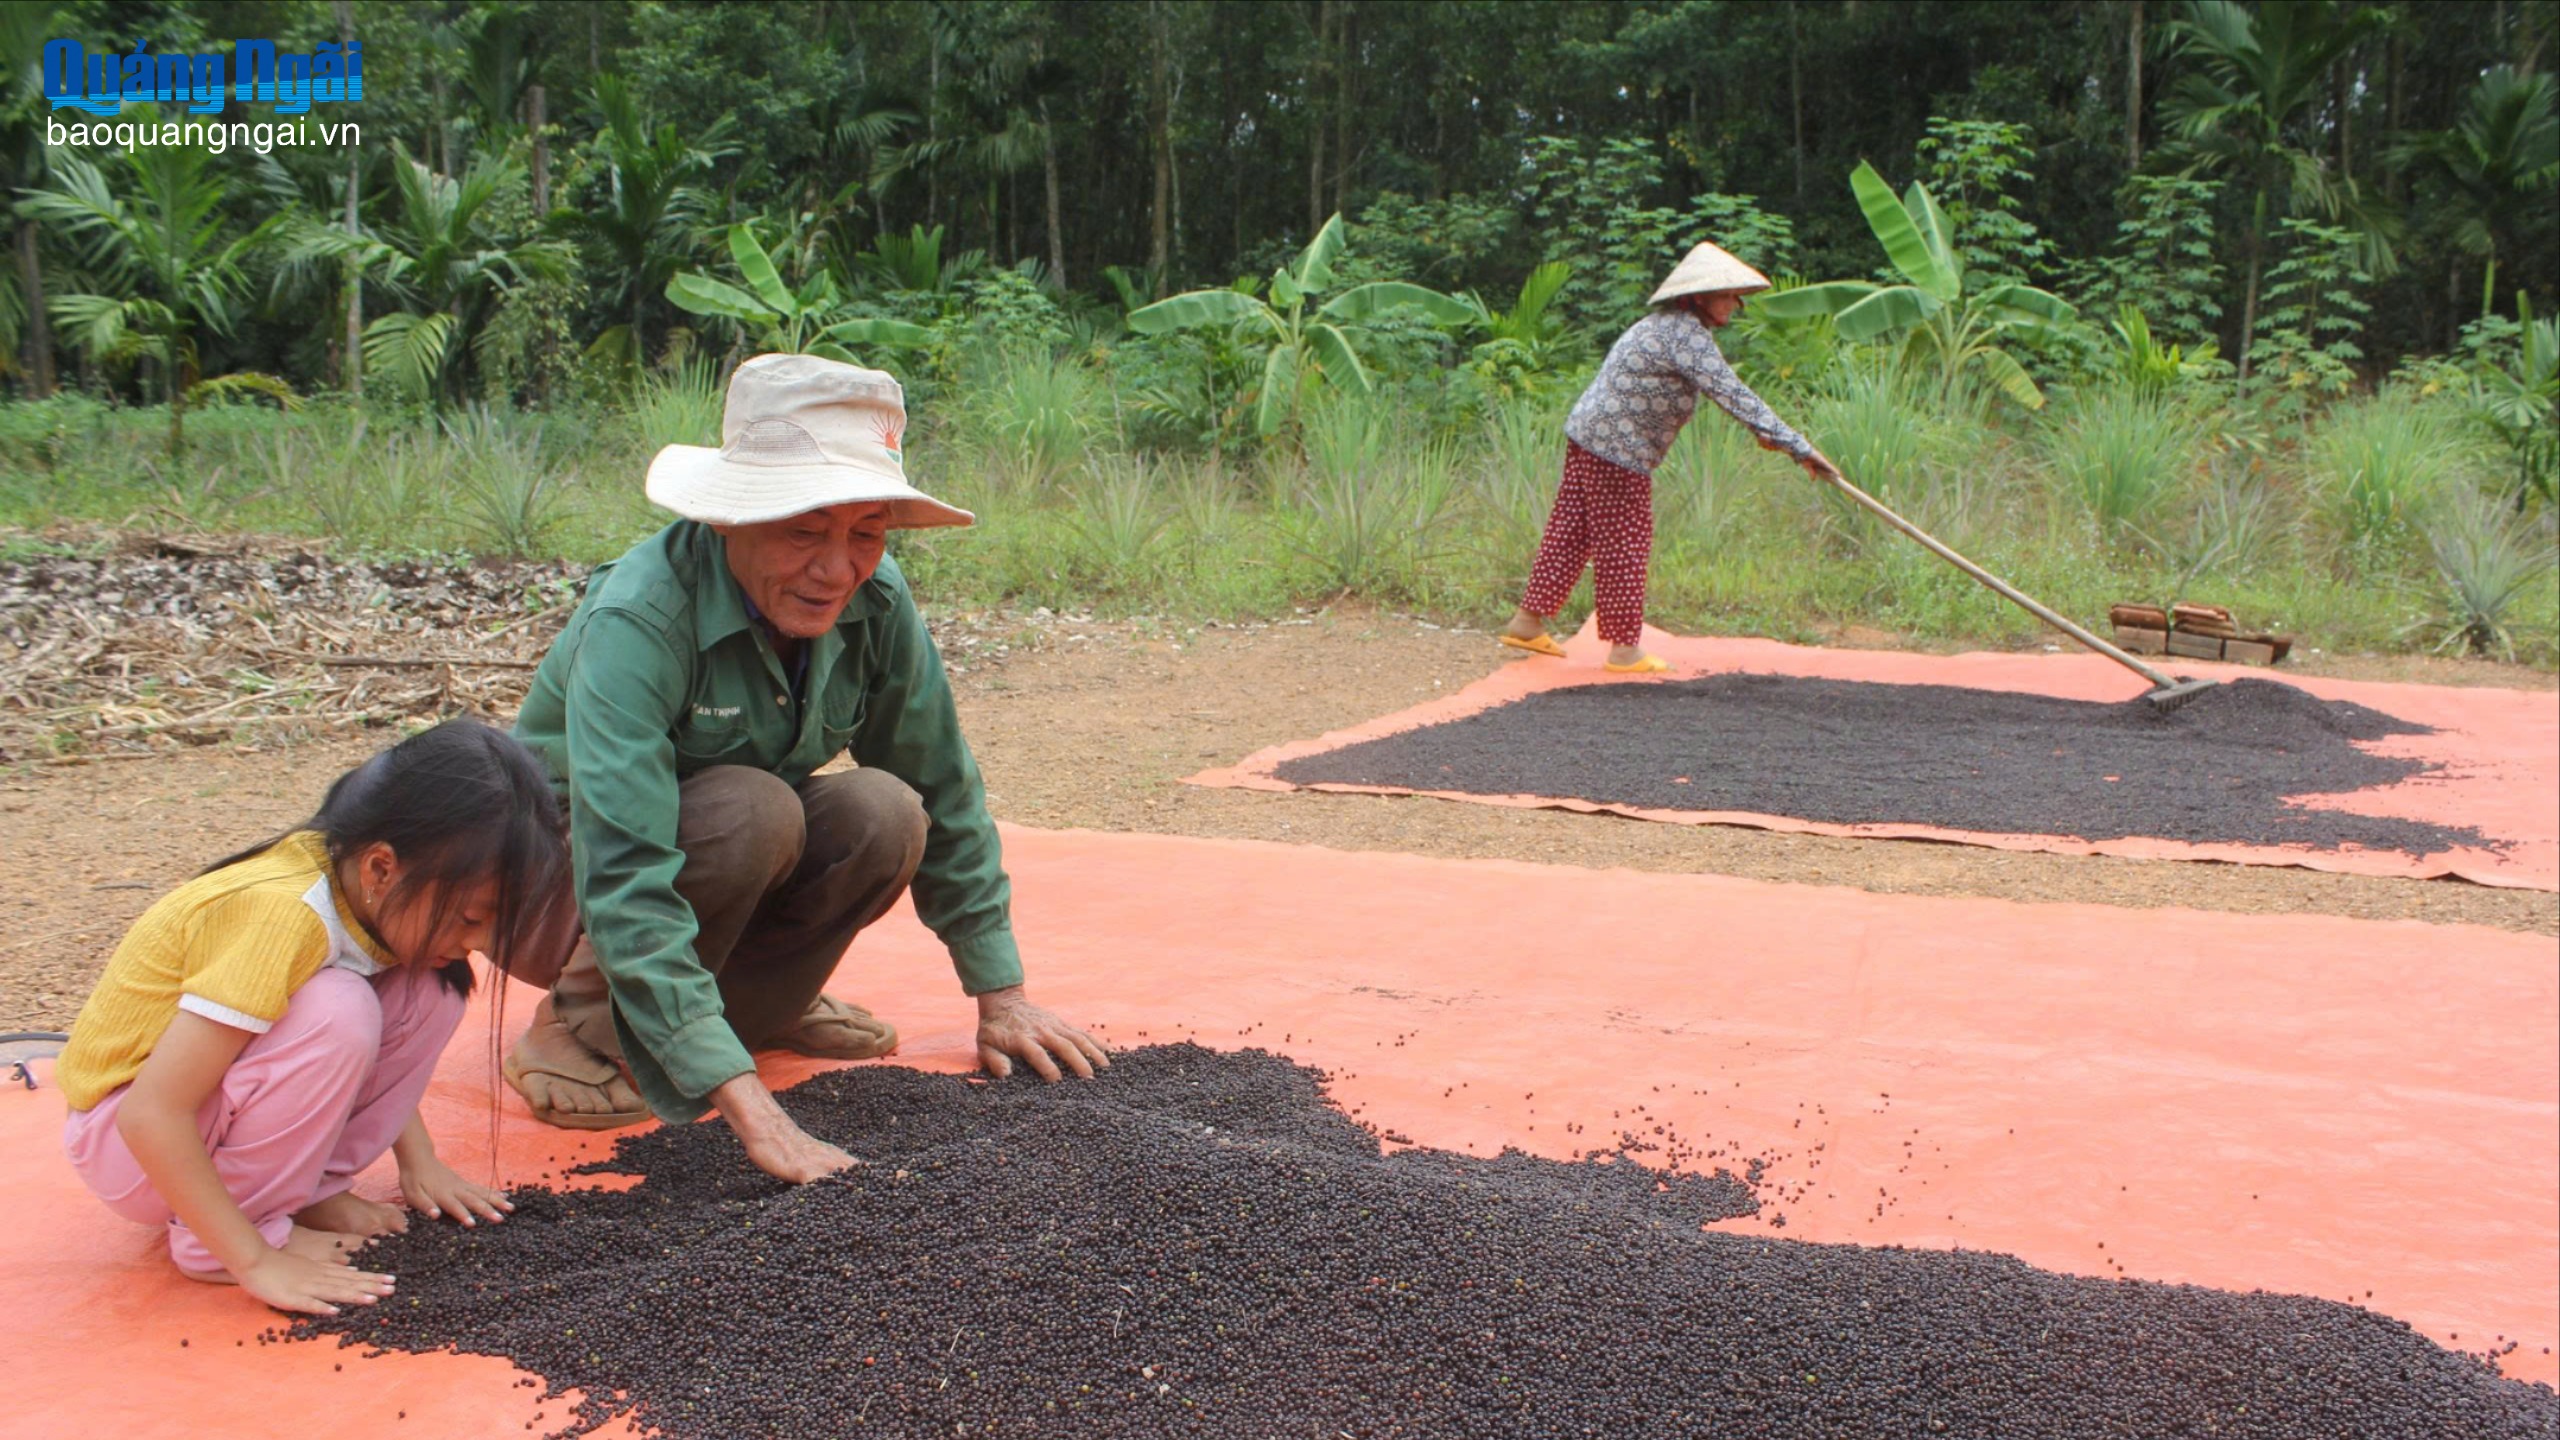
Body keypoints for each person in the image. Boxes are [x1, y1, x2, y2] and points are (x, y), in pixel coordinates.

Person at [505, 353, 1108, 1184]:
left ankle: (759, 1008)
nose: (836, 569)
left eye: (865, 533)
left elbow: (941, 785)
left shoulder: (876, 600)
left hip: (716, 854)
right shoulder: (639, 618)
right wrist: (749, 1108)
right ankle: (577, 1025)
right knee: (755, 809)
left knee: (886, 812)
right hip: (558, 878)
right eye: (802, 529)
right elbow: (624, 864)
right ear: (728, 519)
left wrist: (1000, 994)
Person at [56, 718, 573, 1316]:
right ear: (382, 867)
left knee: (431, 993)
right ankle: (223, 1239)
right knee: (339, 1009)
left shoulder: (362, 896)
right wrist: (253, 1258)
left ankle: (308, 1192)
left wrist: (420, 1161)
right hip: (130, 1147)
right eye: (468, 918)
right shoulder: (281, 916)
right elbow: (151, 1114)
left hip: (184, 1129)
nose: (475, 943)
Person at [1501, 241, 1843, 673]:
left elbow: (1727, 396)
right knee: (1625, 538)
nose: (1736, 305)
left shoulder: (1663, 326)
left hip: (1588, 435)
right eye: (1727, 295)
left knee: (1574, 528)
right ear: (1699, 297)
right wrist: (1799, 447)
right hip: (1615, 447)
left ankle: (1527, 622)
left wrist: (1775, 438)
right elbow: (1733, 393)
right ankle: (1624, 649)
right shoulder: (1684, 333)